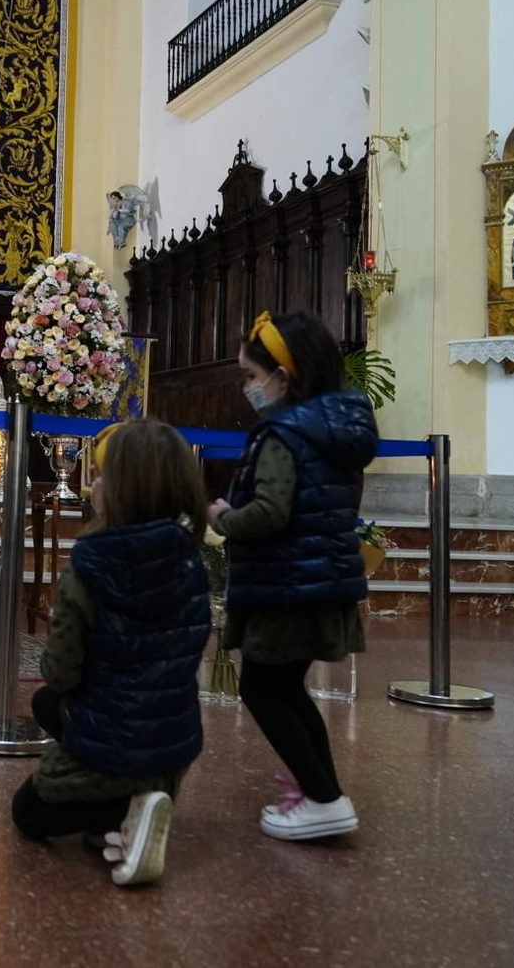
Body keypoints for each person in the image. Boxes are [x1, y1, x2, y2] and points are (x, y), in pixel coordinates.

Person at [11, 419, 211, 887]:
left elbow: (60, 673)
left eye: (101, 476)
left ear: (123, 489)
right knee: (46, 706)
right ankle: (136, 804)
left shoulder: (90, 565)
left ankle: (125, 805)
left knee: (27, 815)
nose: (93, 485)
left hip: (114, 735)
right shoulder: (190, 557)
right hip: (173, 743)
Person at [208, 310, 377, 841]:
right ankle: (323, 790)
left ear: (286, 377)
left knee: (262, 689)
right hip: (318, 578)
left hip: (290, 583)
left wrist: (222, 519)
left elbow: (269, 512)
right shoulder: (332, 426)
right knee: (285, 688)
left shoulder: (284, 432)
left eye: (251, 378)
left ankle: (324, 798)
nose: (246, 389)